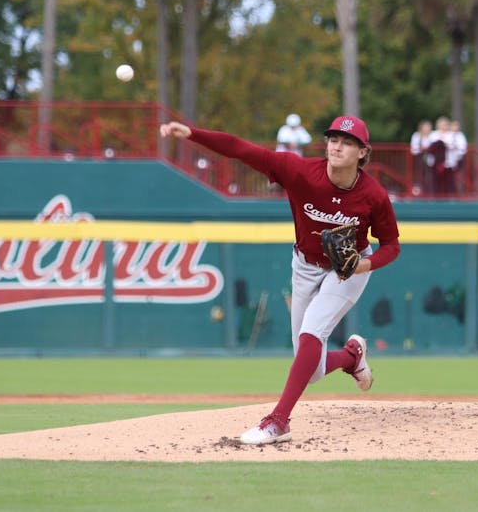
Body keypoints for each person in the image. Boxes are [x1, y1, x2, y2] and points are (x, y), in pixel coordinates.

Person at [160, 115, 400, 444]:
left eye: (347, 142)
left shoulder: (373, 195)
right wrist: (192, 134)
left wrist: (365, 264)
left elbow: (392, 245)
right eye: (333, 139)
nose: (337, 146)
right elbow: (240, 150)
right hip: (303, 265)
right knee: (312, 369)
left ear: (363, 152)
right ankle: (350, 356)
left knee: (312, 332)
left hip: (345, 272)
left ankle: (278, 421)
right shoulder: (300, 171)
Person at [409, 119, 433, 195]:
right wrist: (422, 148)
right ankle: (420, 193)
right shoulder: (416, 136)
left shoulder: (432, 136)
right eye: (425, 127)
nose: (427, 129)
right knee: (419, 177)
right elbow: (414, 149)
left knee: (429, 177)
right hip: (419, 159)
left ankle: (429, 192)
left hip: (430, 160)